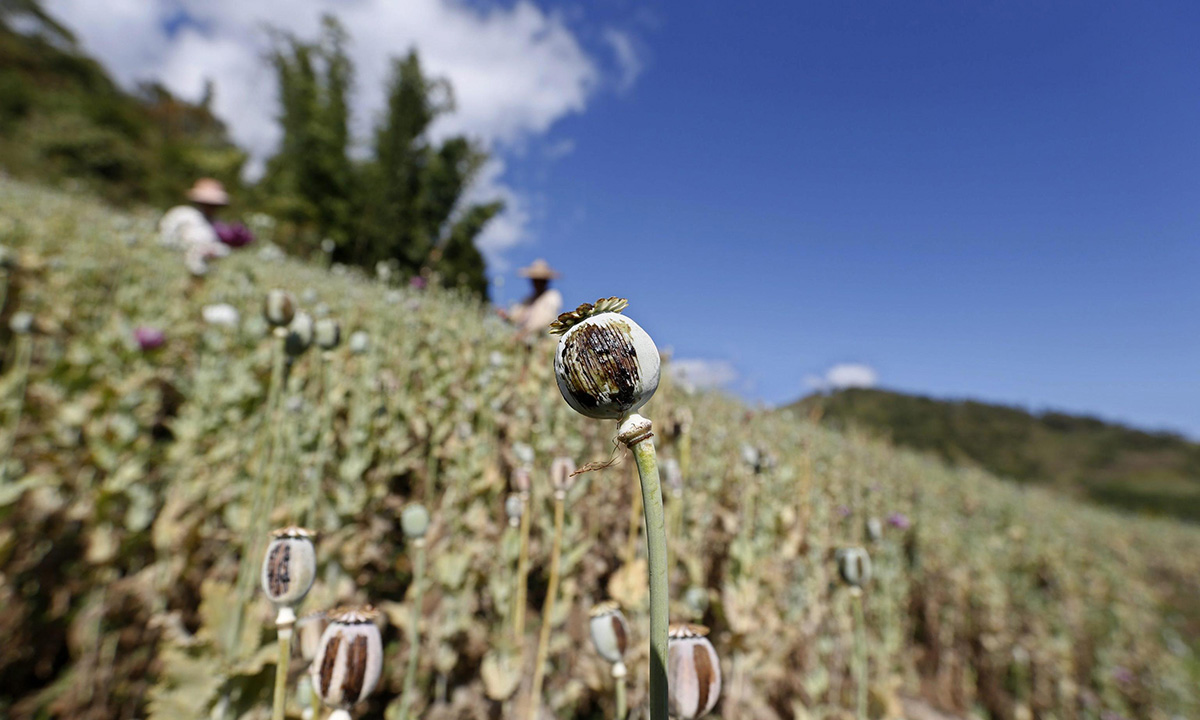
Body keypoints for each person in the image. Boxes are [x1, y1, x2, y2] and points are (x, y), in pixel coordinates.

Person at [159, 178, 234, 276]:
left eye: (214, 205)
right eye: (209, 204)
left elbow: (223, 250)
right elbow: (165, 238)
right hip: (175, 269)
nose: (212, 208)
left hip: (203, 273)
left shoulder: (217, 224)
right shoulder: (182, 215)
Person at [501, 259, 563, 340]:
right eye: (535, 280)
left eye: (540, 281)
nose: (537, 283)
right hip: (527, 340)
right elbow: (516, 315)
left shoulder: (552, 296)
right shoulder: (528, 299)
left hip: (544, 339)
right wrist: (506, 316)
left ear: (545, 281)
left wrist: (526, 331)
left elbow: (546, 318)